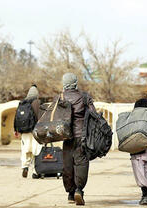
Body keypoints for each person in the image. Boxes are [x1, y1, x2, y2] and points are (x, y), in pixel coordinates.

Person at [61, 73, 96, 206]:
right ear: (76, 83)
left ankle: (70, 194)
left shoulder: (60, 97)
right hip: (82, 136)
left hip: (66, 136)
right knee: (81, 163)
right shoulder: (85, 97)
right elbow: (94, 114)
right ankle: (79, 190)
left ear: (64, 83)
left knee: (68, 165)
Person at [14, 85, 43, 178]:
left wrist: (16, 130)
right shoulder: (38, 103)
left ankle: (25, 167)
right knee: (36, 151)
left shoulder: (22, 103)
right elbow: (41, 117)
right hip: (35, 131)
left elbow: (16, 118)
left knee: (25, 150)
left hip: (24, 132)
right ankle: (35, 172)